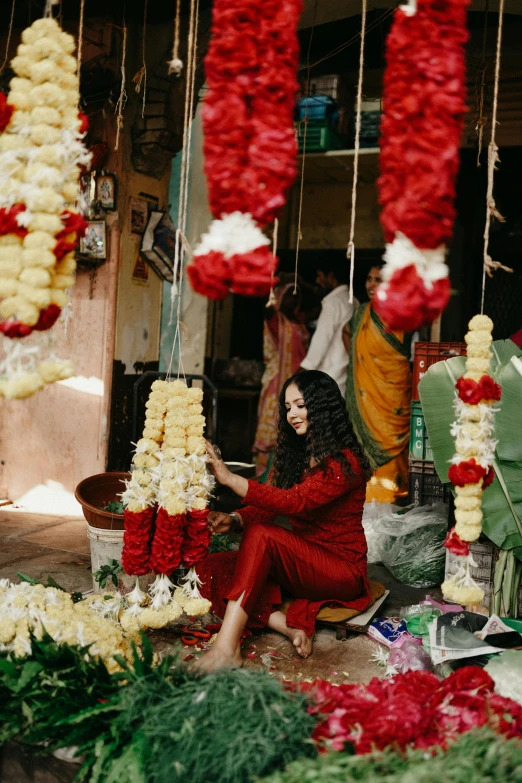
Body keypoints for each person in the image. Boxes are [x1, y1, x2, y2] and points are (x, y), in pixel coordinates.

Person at [196, 370, 372, 672]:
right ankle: (287, 628)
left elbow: (294, 502)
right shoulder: (296, 455)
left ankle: (226, 648)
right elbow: (270, 503)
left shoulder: (346, 462)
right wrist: (236, 519)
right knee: (210, 568)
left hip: (341, 571)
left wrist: (228, 478)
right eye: (288, 407)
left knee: (263, 535)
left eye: (301, 405)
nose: (293, 414)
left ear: (321, 406)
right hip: (302, 561)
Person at [342, 265, 412, 504]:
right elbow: (346, 332)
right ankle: (367, 500)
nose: (371, 284)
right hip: (366, 391)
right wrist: (358, 360)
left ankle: (391, 495)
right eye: (369, 279)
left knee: (390, 442)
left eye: (379, 280)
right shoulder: (362, 312)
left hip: (391, 393)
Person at [253, 278, 310, 478]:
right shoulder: (275, 320)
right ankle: (264, 477)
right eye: (288, 296)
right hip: (276, 383)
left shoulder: (299, 321)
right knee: (273, 428)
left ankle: (284, 477)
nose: (292, 302)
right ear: (279, 298)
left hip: (296, 383)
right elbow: (267, 308)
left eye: (296, 297)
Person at [300, 260, 358, 397]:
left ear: (331, 277)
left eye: (320, 276)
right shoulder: (354, 301)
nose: (317, 280)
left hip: (328, 376)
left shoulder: (333, 303)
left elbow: (321, 340)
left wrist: (303, 369)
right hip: (345, 376)